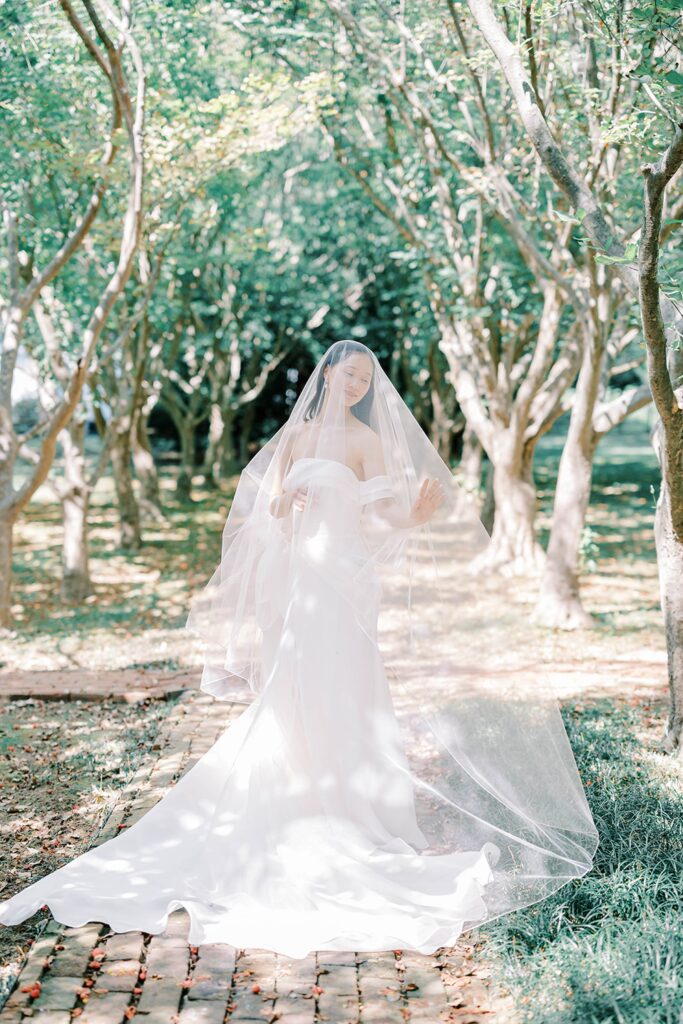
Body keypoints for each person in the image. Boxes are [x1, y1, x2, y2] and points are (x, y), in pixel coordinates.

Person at [0, 340, 599, 958]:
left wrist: (416, 515)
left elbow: (383, 519)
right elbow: (269, 511)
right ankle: (301, 792)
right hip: (301, 579)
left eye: (367, 379)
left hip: (348, 579)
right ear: (327, 376)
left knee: (352, 685)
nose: (358, 385)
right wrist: (287, 506)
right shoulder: (298, 436)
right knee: (300, 683)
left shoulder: (368, 444)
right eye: (350, 374)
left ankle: (354, 802)